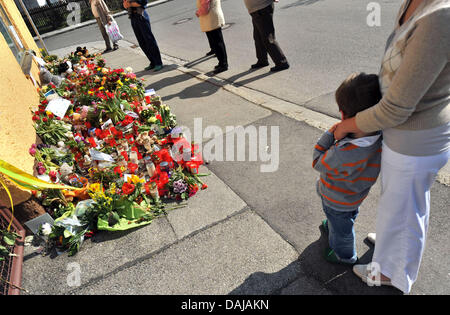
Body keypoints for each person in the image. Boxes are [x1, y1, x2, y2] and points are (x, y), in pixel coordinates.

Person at [334, 0, 450, 293]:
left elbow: (397, 108)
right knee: (397, 203)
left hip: (415, 139)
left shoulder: (441, 16)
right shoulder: (416, 3)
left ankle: (391, 273)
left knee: (406, 208)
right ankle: (389, 244)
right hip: (404, 135)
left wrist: (348, 125)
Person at [313, 73, 383, 265]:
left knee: (343, 231)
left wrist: (333, 132)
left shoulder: (345, 151)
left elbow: (317, 161)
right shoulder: (381, 136)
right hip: (354, 194)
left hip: (336, 200)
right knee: (346, 218)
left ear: (344, 115)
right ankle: (336, 226)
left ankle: (344, 256)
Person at [243, 0, 289, 72]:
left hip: (261, 8)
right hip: (256, 9)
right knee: (258, 37)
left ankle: (282, 62)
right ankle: (262, 60)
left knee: (268, 38)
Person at [123, 0, 163, 72]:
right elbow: (124, 6)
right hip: (133, 17)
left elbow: (141, 3)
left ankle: (158, 62)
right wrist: (129, 4)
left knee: (149, 40)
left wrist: (130, 3)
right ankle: (152, 62)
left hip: (141, 15)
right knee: (141, 42)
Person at [196, 0, 228, 74]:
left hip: (211, 19)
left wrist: (198, 12)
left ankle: (223, 64)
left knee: (218, 43)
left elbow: (205, 9)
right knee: (217, 42)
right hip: (212, 17)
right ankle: (221, 63)